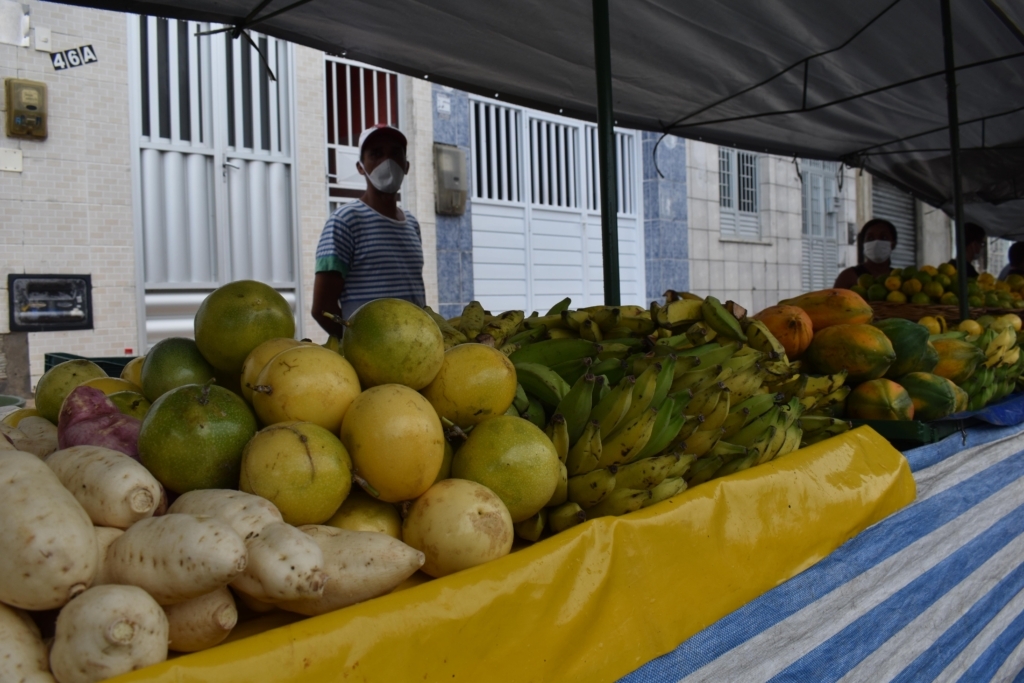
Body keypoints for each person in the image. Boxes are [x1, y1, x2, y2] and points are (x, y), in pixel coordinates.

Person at [311, 124, 426, 337]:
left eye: (395, 153)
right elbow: (322, 309)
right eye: (376, 153)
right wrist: (360, 343)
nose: (387, 162)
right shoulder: (345, 221)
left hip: (418, 348)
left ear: (407, 165)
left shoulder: (412, 224)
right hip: (370, 358)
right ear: (360, 167)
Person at [833, 218, 899, 289]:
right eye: (870, 238)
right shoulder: (848, 277)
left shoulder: (900, 278)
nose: (876, 242)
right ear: (863, 243)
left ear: (893, 244)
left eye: (884, 237)